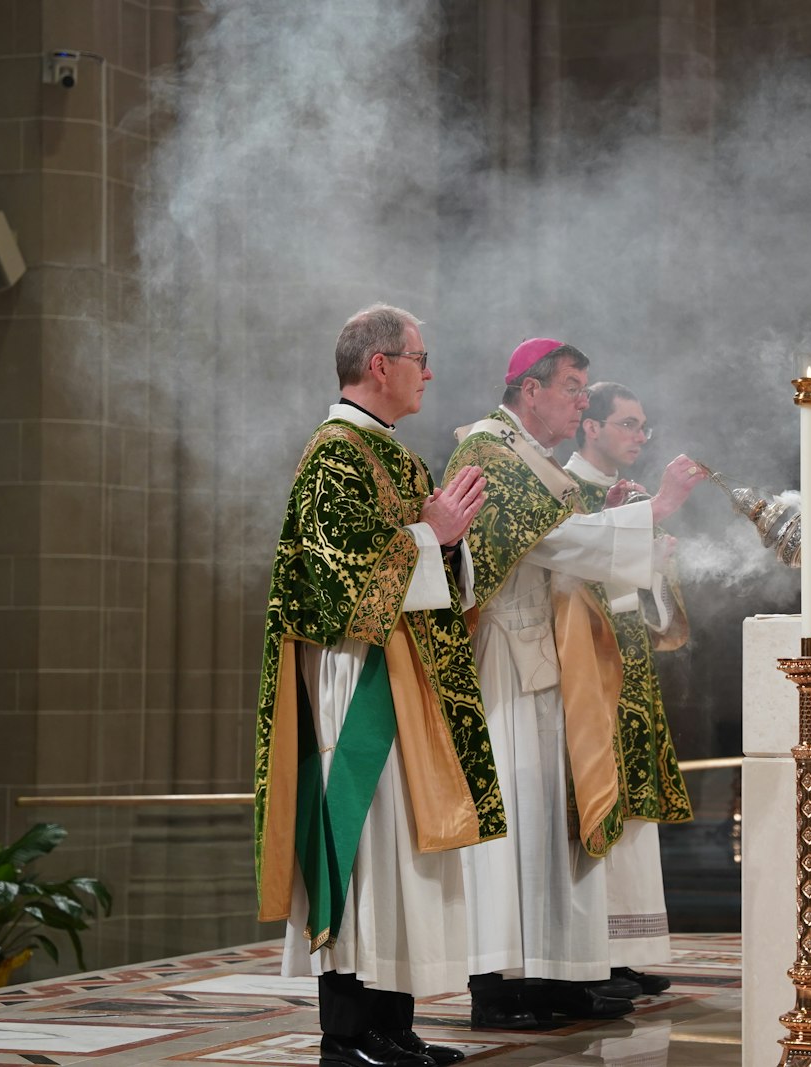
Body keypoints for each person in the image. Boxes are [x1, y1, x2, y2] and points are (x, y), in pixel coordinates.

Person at [253, 304, 503, 1067]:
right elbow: (334, 587)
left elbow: (432, 566)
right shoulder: (333, 454)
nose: (430, 372)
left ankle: (392, 1026)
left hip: (406, 680)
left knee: (402, 856)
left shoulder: (393, 453)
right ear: (379, 365)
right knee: (363, 852)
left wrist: (446, 545)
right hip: (356, 679)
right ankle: (348, 1035)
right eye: (420, 356)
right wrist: (433, 537)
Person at [443, 339, 706, 1029]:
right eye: (571, 386)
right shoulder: (489, 452)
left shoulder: (528, 459)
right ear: (529, 390)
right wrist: (652, 513)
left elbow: (565, 534)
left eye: (585, 387)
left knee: (550, 824)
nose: (581, 400)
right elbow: (554, 544)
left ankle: (556, 973)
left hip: (550, 660)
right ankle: (499, 984)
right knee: (515, 828)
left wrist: (620, 519)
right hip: (509, 656)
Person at [564, 382, 694, 997]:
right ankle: (589, 953)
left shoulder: (637, 498)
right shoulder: (562, 491)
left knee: (634, 815)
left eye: (645, 426)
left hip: (633, 673)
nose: (641, 436)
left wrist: (659, 568)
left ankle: (626, 950)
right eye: (628, 424)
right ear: (590, 426)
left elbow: (664, 622)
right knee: (594, 806)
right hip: (585, 670)